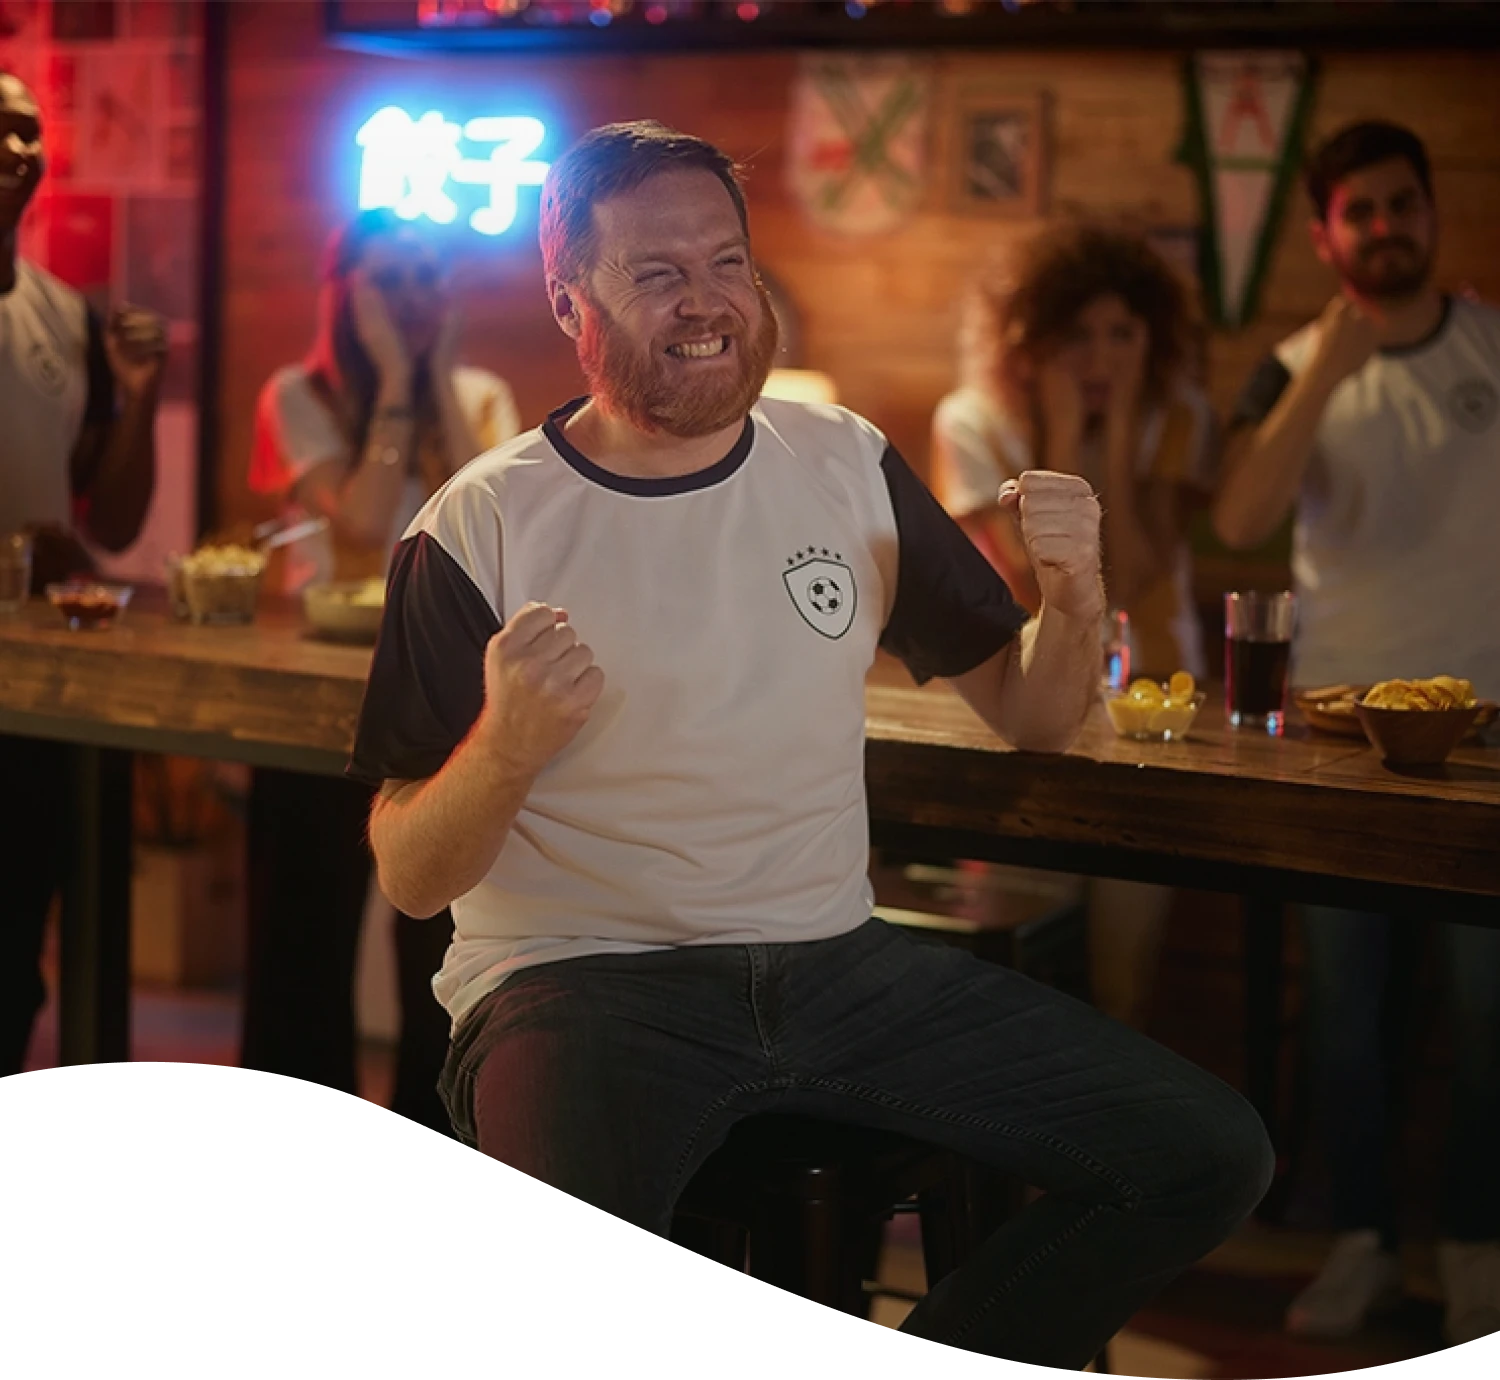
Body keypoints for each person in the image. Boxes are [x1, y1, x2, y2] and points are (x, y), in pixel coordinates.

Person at [344, 120, 1273, 1369]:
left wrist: (1077, 586)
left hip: (837, 964)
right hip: (581, 984)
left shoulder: (842, 463)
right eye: (657, 273)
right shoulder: (481, 522)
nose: (707, 303)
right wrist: (506, 747)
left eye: (727, 263)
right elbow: (409, 873)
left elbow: (1039, 713)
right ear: (570, 301)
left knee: (1206, 1156)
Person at [1213, 120, 1500, 1348]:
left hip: (1486, 739)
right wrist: (1326, 368)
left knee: (1489, 1012)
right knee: (1345, 1012)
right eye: (1360, 213)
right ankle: (1363, 1241)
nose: (1385, 228)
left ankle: (1476, 1245)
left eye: (1402, 205)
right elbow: (1237, 517)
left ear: (1430, 214)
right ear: (1327, 233)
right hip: (1334, 735)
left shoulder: (1492, 340)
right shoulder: (1291, 366)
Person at [243, 207, 519, 1136]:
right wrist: (396, 379)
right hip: (320, 692)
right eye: (388, 278)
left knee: (437, 937)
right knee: (301, 930)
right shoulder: (297, 393)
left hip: (443, 696)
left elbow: (493, 529)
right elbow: (363, 520)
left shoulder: (478, 393)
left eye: (426, 276)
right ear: (347, 293)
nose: (411, 295)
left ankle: (435, 1120)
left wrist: (432, 375)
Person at [930, 222, 1220, 1033]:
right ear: (1032, 339)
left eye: (1121, 334)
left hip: (1150, 723)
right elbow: (1034, 583)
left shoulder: (1177, 417)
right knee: (1013, 991)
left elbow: (1135, 578)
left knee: (1123, 992)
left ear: (1152, 338)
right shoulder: (974, 420)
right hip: (1025, 707)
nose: (1098, 358)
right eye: (1076, 334)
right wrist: (1061, 437)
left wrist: (1120, 431)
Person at [1, 68, 168, 1078]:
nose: (14, 149)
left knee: (16, 957)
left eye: (26, 131)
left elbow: (111, 517)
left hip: (32, 697)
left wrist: (143, 395)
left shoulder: (64, 313)